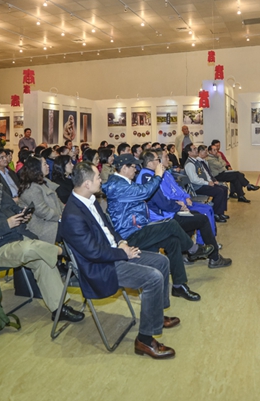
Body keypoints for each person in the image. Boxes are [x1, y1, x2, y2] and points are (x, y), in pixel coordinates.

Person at [59, 161, 178, 359]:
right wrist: (124, 254)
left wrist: (122, 242)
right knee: (153, 277)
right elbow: (93, 253)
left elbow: (108, 227)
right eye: (98, 177)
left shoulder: (89, 199)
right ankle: (145, 340)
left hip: (113, 253)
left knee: (161, 262)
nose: (101, 180)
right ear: (87, 183)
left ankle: (155, 316)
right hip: (100, 267)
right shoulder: (72, 215)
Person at [0, 163, 84, 324]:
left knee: (43, 260)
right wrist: (6, 224)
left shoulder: (0, 194)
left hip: (17, 238)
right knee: (31, 248)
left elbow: (13, 208)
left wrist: (22, 215)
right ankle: (65, 252)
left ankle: (59, 308)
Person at [103, 153, 207, 301]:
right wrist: (158, 176)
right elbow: (145, 192)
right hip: (129, 236)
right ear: (124, 168)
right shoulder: (117, 185)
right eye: (133, 167)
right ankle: (193, 249)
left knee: (173, 241)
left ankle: (179, 286)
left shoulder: (124, 182)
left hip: (139, 228)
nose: (136, 169)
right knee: (171, 224)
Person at [137, 152, 231, 268]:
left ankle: (186, 253)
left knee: (194, 216)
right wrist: (179, 206)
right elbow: (162, 202)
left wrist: (183, 201)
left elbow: (170, 193)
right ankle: (214, 258)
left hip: (167, 213)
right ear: (150, 163)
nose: (160, 162)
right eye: (158, 159)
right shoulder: (148, 177)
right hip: (162, 218)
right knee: (202, 219)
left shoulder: (151, 174)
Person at [17, 156, 63, 244]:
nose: (48, 166)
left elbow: (58, 201)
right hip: (42, 226)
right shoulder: (31, 188)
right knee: (74, 228)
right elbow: (42, 211)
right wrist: (60, 217)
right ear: (36, 168)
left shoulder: (45, 182)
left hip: (52, 221)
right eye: (45, 164)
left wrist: (66, 213)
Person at [185, 144, 229, 221]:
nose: (196, 150)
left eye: (196, 148)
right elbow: (194, 180)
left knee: (224, 188)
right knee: (219, 191)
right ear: (189, 152)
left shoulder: (197, 161)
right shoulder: (189, 164)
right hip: (197, 187)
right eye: (194, 149)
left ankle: (220, 212)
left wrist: (210, 180)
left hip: (204, 184)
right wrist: (207, 183)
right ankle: (215, 214)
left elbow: (206, 173)